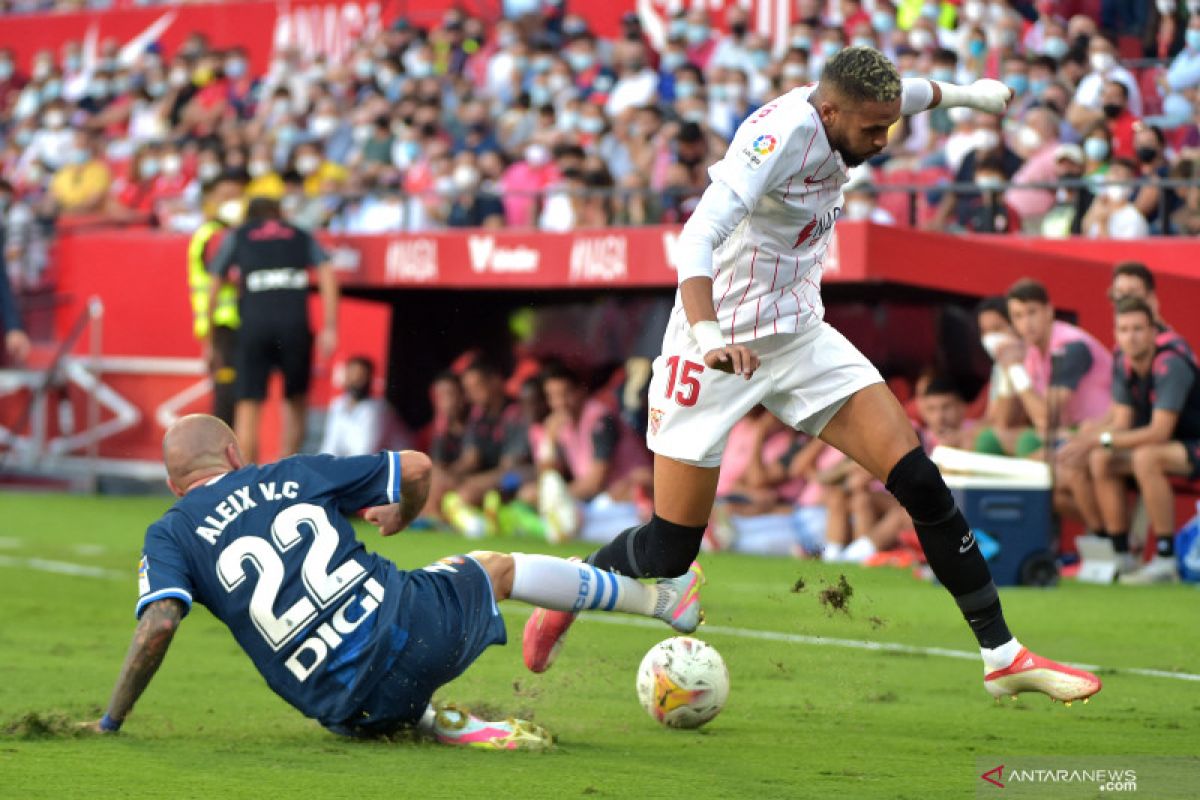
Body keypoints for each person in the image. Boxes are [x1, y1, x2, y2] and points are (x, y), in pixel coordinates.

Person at [524, 46, 1101, 705]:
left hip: (799, 335)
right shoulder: (772, 140)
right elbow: (695, 238)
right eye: (871, 129)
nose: (882, 140)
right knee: (667, 553)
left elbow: (911, 93)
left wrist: (967, 94)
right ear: (828, 110)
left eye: (888, 127)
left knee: (920, 479)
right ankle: (572, 588)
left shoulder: (859, 106)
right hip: (715, 347)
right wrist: (710, 337)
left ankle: (1001, 656)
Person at [87, 414, 703, 744]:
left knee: (368, 679)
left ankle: (430, 721)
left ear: (174, 486)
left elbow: (160, 622)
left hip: (339, 709)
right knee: (494, 568)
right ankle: (658, 599)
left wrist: (112, 720)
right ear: (232, 456)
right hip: (417, 634)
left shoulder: (169, 532)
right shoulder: (292, 471)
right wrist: (399, 516)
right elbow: (416, 466)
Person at [1063, 298, 1200, 584]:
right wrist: (1086, 441)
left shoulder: (1170, 363)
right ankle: (1120, 552)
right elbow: (1122, 422)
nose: (1131, 336)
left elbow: (1159, 432)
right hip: (1170, 448)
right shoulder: (1123, 363)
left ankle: (1165, 559)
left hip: (1190, 443)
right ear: (1115, 333)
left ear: (1153, 332)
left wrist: (1097, 439)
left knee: (1145, 456)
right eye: (1123, 329)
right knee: (1103, 458)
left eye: (1138, 329)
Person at [207, 197, 339, 462]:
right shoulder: (300, 235)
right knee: (296, 401)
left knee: (248, 405)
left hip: (253, 326)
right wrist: (330, 327)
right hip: (295, 326)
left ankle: (249, 481)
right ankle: (288, 476)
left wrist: (210, 339)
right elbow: (327, 272)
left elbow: (214, 282)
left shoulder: (239, 236)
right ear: (279, 213)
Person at [188, 170, 247, 426]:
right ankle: (224, 460)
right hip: (224, 324)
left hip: (222, 325)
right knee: (226, 394)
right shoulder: (216, 236)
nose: (233, 202)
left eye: (237, 196)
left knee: (231, 392)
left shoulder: (213, 233)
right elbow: (229, 279)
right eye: (227, 197)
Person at [319, 355, 394, 458]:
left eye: (361, 376)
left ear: (369, 378)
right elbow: (329, 446)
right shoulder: (337, 404)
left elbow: (365, 452)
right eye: (352, 375)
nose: (356, 380)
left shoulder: (378, 409)